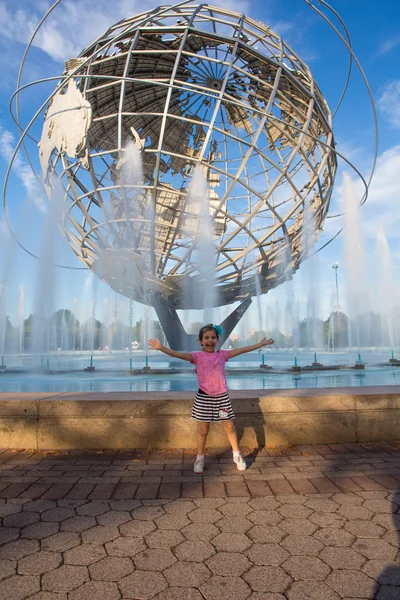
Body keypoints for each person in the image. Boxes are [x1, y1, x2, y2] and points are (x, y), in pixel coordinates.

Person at [148, 324, 274, 474]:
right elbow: (178, 354)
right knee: (203, 430)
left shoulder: (222, 355)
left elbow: (241, 350)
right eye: (206, 338)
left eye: (213, 337)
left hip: (221, 399)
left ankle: (236, 455)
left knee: (229, 428)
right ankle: (199, 458)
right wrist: (161, 348)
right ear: (201, 341)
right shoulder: (196, 356)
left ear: (217, 340)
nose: (210, 340)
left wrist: (260, 344)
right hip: (204, 399)